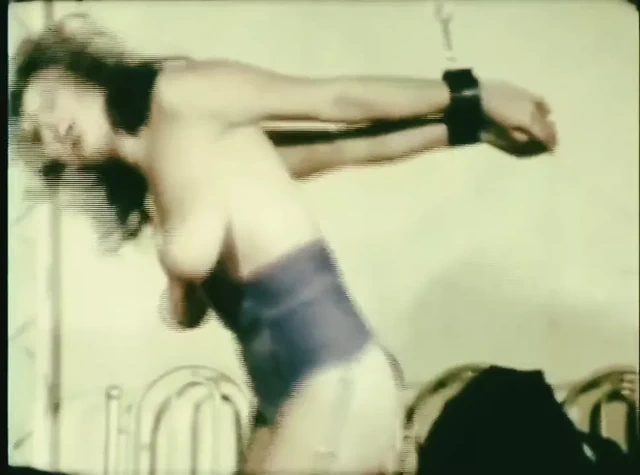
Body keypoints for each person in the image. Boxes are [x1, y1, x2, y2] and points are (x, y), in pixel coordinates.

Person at [10, 14, 557, 474]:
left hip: (335, 376)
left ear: (79, 71)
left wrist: (476, 97)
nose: (53, 129)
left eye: (50, 102)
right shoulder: (153, 185)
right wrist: (464, 129)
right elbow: (341, 150)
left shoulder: (180, 94)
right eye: (36, 135)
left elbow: (336, 103)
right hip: (279, 396)